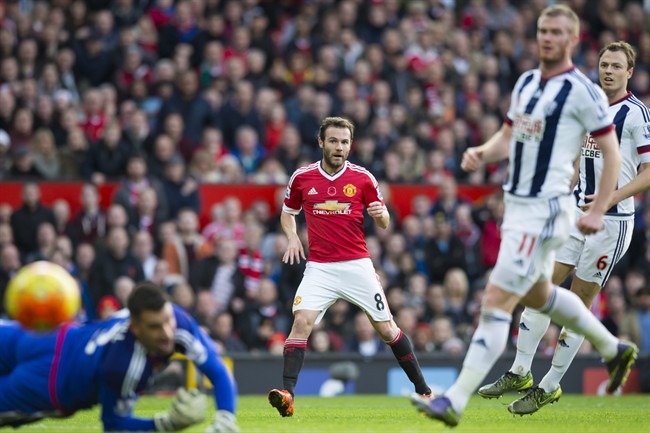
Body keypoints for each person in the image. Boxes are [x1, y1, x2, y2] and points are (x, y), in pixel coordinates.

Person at [411, 5, 638, 427]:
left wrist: (602, 203)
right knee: (539, 295)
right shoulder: (527, 83)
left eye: (556, 32)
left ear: (571, 39)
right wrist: (484, 150)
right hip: (525, 206)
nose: (547, 38)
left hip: (552, 212)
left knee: (497, 299)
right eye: (542, 31)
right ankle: (612, 348)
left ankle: (455, 400)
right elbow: (510, 133)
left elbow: (609, 154)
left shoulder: (584, 93)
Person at [478, 41, 650, 414]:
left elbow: (648, 173)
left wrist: (608, 198)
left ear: (629, 72)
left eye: (616, 66)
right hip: (573, 214)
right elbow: (576, 158)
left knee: (580, 301)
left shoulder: (636, 115)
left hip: (612, 222)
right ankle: (520, 370)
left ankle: (550, 385)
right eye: (604, 64)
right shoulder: (588, 106)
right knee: (539, 287)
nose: (608, 71)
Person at [268, 116, 431, 418]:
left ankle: (424, 390)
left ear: (350, 144)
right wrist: (292, 237)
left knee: (386, 328)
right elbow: (287, 213)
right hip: (320, 267)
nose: (339, 147)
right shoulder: (302, 178)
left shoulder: (364, 179)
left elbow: (384, 223)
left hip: (357, 265)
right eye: (333, 141)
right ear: (321, 142)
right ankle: (288, 393)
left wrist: (381, 215)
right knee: (302, 321)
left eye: (344, 142)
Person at [0, 281, 239, 432]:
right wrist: (166, 424)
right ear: (135, 327)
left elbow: (218, 371)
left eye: (168, 321)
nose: (167, 333)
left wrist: (226, 418)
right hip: (48, 383)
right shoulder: (123, 367)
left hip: (56, 338)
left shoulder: (179, 322)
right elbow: (114, 425)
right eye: (155, 327)